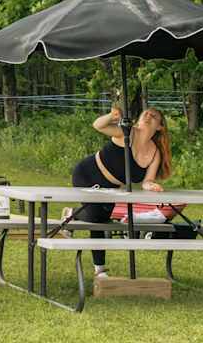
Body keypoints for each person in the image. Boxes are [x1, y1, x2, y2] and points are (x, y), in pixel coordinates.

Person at [67, 106, 172, 279]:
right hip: (87, 174)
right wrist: (111, 116)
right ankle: (99, 269)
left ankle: (72, 214)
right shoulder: (127, 133)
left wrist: (151, 186)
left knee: (100, 219)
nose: (148, 115)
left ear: (160, 127)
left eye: (154, 116)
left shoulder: (155, 153)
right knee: (96, 218)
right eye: (145, 112)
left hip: (111, 189)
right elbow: (98, 125)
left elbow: (147, 181)